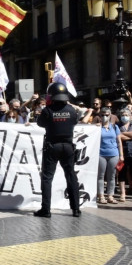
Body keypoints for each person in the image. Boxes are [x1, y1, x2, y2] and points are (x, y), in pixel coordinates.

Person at [34, 82, 80, 218]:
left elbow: (40, 123)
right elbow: (75, 122)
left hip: (52, 146)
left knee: (47, 178)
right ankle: (76, 209)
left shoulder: (47, 110)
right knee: (71, 176)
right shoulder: (72, 110)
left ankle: (46, 210)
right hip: (68, 147)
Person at [96, 107, 123, 205]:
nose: (104, 117)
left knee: (112, 176)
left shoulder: (115, 127)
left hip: (114, 154)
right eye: (102, 115)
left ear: (110, 115)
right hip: (101, 154)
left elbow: (119, 141)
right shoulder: (97, 127)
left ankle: (110, 195)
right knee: (101, 176)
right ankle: (101, 196)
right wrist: (96, 126)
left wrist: (121, 155)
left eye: (107, 115)